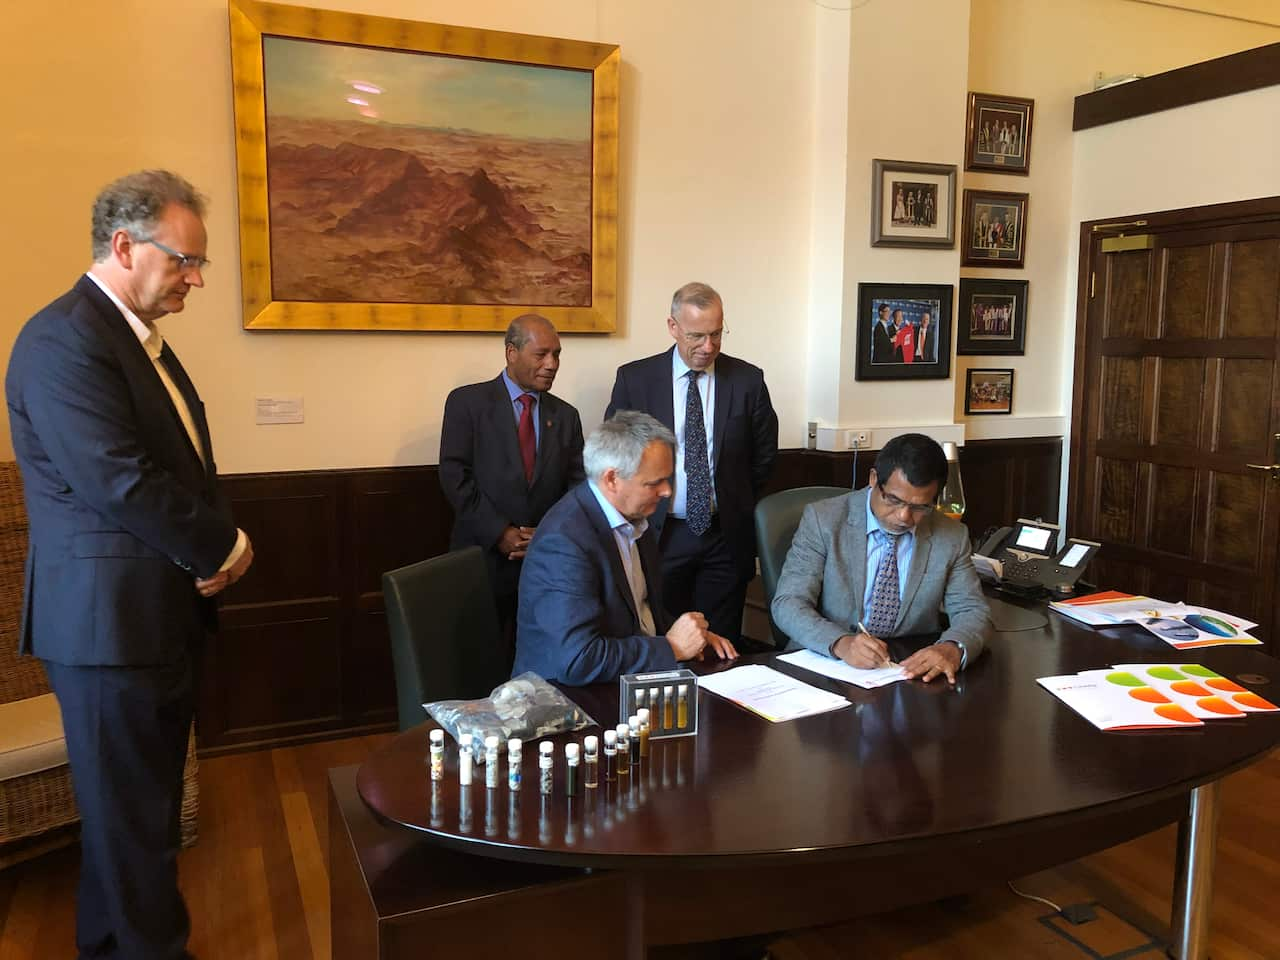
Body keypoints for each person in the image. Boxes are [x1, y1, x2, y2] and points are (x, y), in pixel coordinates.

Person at [5, 169, 254, 960]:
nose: (198, 278)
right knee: (136, 827)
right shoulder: (61, 341)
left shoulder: (135, 340)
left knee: (130, 822)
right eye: (185, 260)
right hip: (107, 630)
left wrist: (198, 557)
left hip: (153, 617)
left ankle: (108, 947)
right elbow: (119, 480)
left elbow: (174, 467)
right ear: (124, 246)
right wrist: (223, 547)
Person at [604, 283, 777, 645]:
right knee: (663, 640)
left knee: (723, 646)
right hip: (657, 535)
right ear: (672, 327)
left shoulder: (748, 381)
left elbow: (763, 458)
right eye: (697, 335)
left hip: (724, 538)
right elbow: (617, 456)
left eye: (716, 334)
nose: (708, 346)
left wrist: (734, 504)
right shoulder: (636, 380)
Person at [513, 411, 737, 684]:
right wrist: (673, 646)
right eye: (654, 483)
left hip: (626, 682)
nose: (667, 491)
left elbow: (636, 614)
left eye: (669, 479)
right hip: (565, 701)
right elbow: (577, 659)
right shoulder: (564, 542)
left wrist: (692, 635)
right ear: (611, 479)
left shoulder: (635, 518)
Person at [771, 433, 989, 685]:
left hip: (904, 672)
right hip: (824, 667)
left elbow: (972, 610)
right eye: (894, 500)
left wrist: (952, 648)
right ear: (874, 479)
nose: (904, 517)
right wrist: (841, 643)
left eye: (920, 507)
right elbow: (787, 603)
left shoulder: (951, 536)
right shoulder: (824, 520)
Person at [439, 314, 585, 654]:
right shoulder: (467, 404)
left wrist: (546, 535)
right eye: (542, 354)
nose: (552, 364)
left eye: (557, 354)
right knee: (479, 663)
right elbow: (454, 476)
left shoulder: (566, 416)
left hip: (544, 563)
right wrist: (500, 532)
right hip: (481, 562)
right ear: (511, 352)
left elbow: (576, 489)